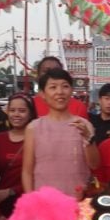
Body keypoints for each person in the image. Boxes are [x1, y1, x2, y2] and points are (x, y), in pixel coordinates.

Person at [23, 67, 98, 198]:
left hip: (78, 202)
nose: (60, 92)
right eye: (53, 87)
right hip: (45, 204)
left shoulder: (84, 125)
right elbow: (27, 171)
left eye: (65, 86)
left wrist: (88, 138)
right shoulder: (33, 128)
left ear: (71, 90)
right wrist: (32, 202)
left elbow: (94, 164)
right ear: (42, 94)